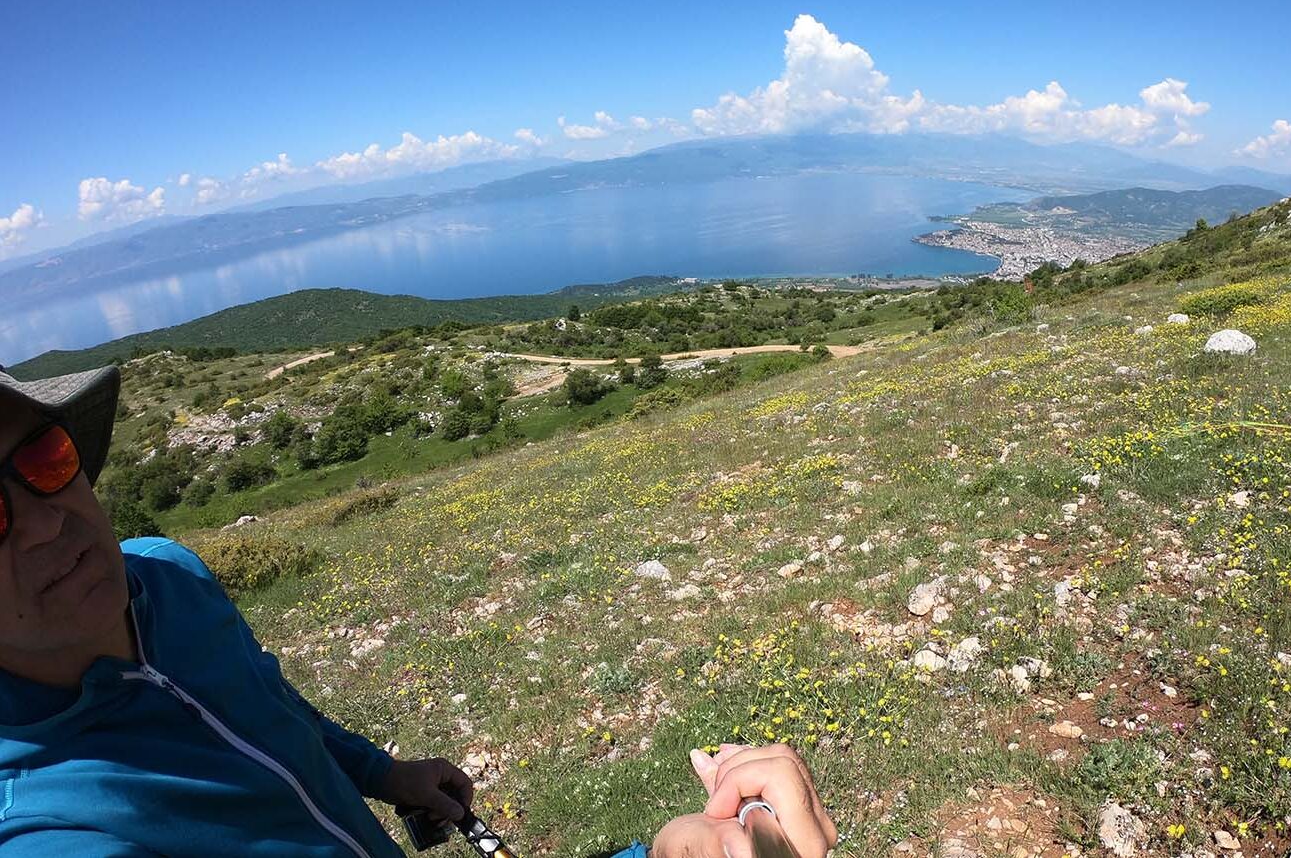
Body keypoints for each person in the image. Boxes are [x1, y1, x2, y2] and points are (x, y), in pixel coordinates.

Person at [0, 365, 837, 857]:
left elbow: (266, 702)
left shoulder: (167, 575)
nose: (45, 523)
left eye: (43, 457)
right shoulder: (52, 832)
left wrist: (378, 772)